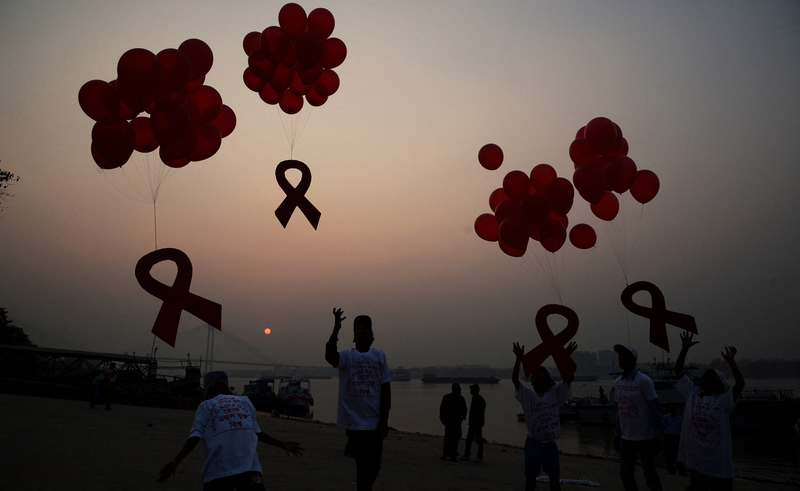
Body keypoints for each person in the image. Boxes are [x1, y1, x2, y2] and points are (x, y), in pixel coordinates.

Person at [157, 371, 303, 489]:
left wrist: (282, 444)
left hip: (249, 468)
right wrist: (176, 461)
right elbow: (195, 436)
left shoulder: (245, 401)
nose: (218, 381)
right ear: (210, 390)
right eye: (214, 382)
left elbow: (257, 433)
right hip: (219, 469)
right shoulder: (206, 405)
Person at [325, 308, 392, 491]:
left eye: (365, 329)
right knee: (362, 467)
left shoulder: (379, 357)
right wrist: (336, 328)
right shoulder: (347, 356)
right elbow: (331, 357)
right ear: (354, 337)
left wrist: (384, 420)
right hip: (355, 424)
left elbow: (385, 388)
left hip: (375, 422)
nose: (360, 331)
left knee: (374, 467)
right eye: (357, 330)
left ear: (372, 336)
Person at [674, 332, 744, 491]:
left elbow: (740, 384)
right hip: (697, 466)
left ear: (719, 384)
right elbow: (678, 371)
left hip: (719, 469)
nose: (705, 379)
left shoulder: (724, 401)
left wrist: (731, 362)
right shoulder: (693, 393)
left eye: (710, 377)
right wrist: (684, 349)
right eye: (704, 376)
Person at [512, 341, 577, 491]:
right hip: (533, 444)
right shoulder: (528, 396)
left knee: (554, 479)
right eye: (533, 375)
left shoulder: (554, 393)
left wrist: (565, 357)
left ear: (547, 379)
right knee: (530, 479)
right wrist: (519, 359)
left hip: (550, 444)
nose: (535, 376)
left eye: (539, 374)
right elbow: (515, 381)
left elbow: (569, 378)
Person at [613, 344, 664, 491]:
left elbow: (655, 408)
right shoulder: (618, 383)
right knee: (625, 473)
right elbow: (619, 411)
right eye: (619, 356)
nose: (621, 359)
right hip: (626, 439)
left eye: (625, 356)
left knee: (650, 475)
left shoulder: (644, 381)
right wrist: (617, 434)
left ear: (634, 360)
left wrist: (656, 435)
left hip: (645, 438)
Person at [439, 382, 467, 462]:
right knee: (452, 438)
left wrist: (442, 417)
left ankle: (448, 454)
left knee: (450, 438)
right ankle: (451, 454)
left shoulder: (448, 397)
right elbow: (464, 410)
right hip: (452, 420)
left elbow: (442, 409)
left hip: (453, 420)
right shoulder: (459, 398)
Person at [461, 383, 486, 463]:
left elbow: (477, 412)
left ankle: (472, 455)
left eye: (471, 390)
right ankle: (473, 455)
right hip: (476, 423)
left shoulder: (477, 399)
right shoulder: (478, 399)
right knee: (474, 440)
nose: (470, 391)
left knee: (472, 439)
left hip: (475, 423)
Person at [662, 404, 685, 475]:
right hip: (668, 437)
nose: (672, 410)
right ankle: (671, 470)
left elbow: (681, 428)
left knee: (677, 454)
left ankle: (681, 470)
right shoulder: (665, 417)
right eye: (671, 408)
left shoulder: (679, 418)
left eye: (674, 408)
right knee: (669, 454)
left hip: (676, 437)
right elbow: (662, 426)